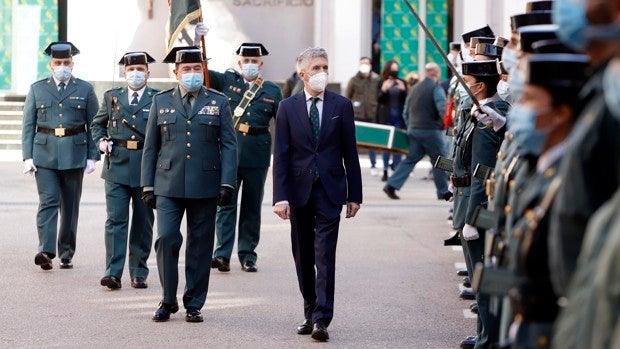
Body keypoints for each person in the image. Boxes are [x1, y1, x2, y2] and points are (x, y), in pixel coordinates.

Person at [141, 46, 237, 322]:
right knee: (166, 239)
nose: (192, 74)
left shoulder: (218, 102)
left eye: (197, 69)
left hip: (206, 184)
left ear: (203, 70)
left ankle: (194, 302)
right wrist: (147, 185)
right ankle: (167, 299)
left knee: (200, 245)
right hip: (167, 183)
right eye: (187, 70)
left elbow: (229, 145)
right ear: (176, 72)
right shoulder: (161, 101)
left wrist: (227, 183)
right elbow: (151, 147)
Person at [272, 47, 362, 342]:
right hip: (297, 192)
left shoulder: (341, 105)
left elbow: (351, 151)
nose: (322, 72)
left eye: (325, 66)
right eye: (316, 68)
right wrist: (279, 197)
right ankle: (309, 310)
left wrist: (354, 194)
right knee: (303, 255)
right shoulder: (287, 107)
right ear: (302, 74)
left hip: (331, 191)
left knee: (324, 255)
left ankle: (322, 318)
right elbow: (281, 155)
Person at [194, 23, 283, 273]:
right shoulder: (227, 80)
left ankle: (247, 255)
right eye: (246, 60)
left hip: (257, 153)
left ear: (261, 65)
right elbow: (199, 70)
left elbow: (284, 125)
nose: (250, 64)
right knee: (226, 204)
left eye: (254, 60)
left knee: (252, 206)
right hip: (229, 154)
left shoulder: (272, 90)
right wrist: (195, 41)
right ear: (239, 62)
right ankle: (222, 254)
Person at [21, 41, 99, 271]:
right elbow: (28, 124)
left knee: (70, 206)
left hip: (75, 153)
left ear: (72, 64)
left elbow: (93, 124)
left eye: (66, 63)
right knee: (48, 202)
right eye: (58, 63)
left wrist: (92, 156)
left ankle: (66, 252)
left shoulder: (85, 89)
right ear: (50, 64)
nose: (62, 67)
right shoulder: (37, 89)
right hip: (44, 153)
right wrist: (27, 156)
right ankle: (45, 251)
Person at [90, 52, 159, 290]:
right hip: (116, 166)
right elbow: (97, 124)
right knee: (116, 221)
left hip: (145, 167)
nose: (135, 73)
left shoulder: (158, 98)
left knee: (143, 221)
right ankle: (113, 272)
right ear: (124, 73)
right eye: (131, 70)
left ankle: (139, 271)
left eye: (140, 69)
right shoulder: (112, 97)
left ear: (148, 72)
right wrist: (100, 142)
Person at [382, 62, 450, 200]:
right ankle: (443, 191)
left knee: (410, 159)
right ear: (437, 74)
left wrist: (410, 126)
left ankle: (391, 185)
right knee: (440, 160)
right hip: (431, 131)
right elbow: (442, 109)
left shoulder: (413, 88)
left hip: (414, 130)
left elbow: (406, 112)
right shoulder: (436, 88)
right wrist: (446, 125)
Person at [345, 56, 380, 175]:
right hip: (357, 114)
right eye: (362, 63)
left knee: (372, 142)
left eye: (366, 63)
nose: (364, 65)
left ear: (370, 65)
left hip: (371, 114)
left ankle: (373, 164)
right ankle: (352, 165)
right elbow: (347, 97)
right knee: (354, 141)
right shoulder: (354, 80)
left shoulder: (376, 79)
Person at [377, 59, 408, 181]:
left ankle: (396, 169)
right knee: (386, 146)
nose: (394, 72)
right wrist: (384, 90)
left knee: (397, 145)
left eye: (396, 69)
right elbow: (379, 100)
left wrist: (404, 90)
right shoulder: (381, 82)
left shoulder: (402, 82)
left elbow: (407, 100)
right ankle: (385, 169)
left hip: (399, 117)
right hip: (386, 117)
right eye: (392, 69)